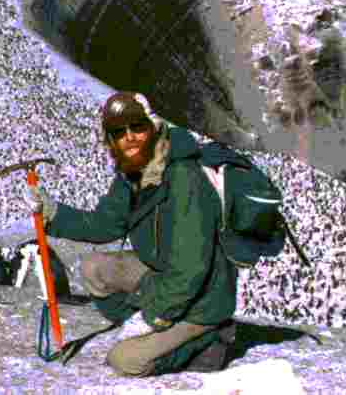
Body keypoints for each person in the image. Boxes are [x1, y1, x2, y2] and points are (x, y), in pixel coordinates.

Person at [24, 91, 238, 377]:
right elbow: (104, 224)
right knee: (94, 269)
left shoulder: (183, 178)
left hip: (202, 297)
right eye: (118, 131)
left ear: (154, 127)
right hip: (165, 273)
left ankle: (209, 337)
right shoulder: (133, 174)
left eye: (137, 126)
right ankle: (153, 329)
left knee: (126, 361)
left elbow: (190, 270)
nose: (130, 136)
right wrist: (52, 212)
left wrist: (151, 318)